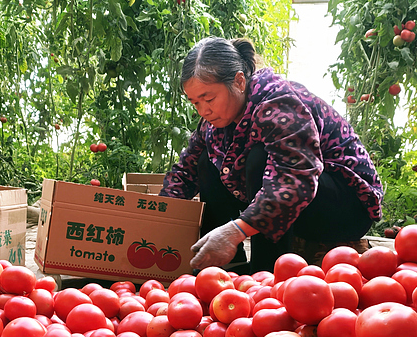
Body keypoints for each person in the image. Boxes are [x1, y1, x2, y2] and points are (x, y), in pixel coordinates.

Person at [159, 36, 383, 272]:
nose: (204, 110)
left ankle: (266, 268)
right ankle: (224, 262)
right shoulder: (214, 123)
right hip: (298, 203)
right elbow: (185, 171)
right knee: (205, 162)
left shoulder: (277, 101)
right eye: (196, 103)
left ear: (239, 81)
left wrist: (236, 230)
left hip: (344, 208)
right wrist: (157, 216)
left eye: (209, 98)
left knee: (259, 158)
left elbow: (295, 177)